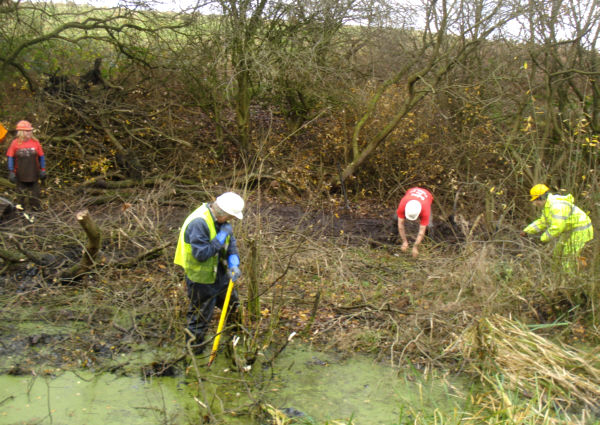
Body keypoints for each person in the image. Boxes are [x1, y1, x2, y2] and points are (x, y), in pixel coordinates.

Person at [174, 192, 244, 354]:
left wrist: (233, 261)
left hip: (220, 275)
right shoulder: (199, 222)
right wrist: (221, 237)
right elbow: (201, 254)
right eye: (230, 218)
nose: (230, 222)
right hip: (201, 280)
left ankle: (234, 341)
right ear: (222, 213)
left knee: (233, 307)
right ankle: (194, 354)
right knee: (200, 318)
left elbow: (230, 242)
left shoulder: (221, 221)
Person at [521, 184, 593, 273]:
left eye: (536, 200)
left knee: (568, 256)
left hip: (581, 230)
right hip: (570, 230)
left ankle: (570, 278)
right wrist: (527, 231)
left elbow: (557, 227)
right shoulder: (548, 206)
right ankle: (556, 274)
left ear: (542, 197)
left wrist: (543, 239)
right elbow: (543, 221)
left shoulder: (556, 206)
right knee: (557, 253)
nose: (535, 203)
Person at [6, 120, 47, 210]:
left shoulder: (35, 142)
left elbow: (42, 156)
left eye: (30, 130)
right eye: (27, 131)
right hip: (20, 176)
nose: (29, 132)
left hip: (34, 175)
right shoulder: (15, 143)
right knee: (21, 198)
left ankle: (36, 215)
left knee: (35, 198)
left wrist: (43, 170)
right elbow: (10, 157)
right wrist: (11, 171)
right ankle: (21, 216)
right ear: (21, 132)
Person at [397, 187, 434, 258]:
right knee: (396, 218)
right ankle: (394, 236)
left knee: (429, 225)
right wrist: (404, 241)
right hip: (411, 191)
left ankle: (430, 244)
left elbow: (421, 231)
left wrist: (415, 247)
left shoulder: (425, 209)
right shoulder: (403, 204)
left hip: (426, 196)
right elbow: (400, 224)